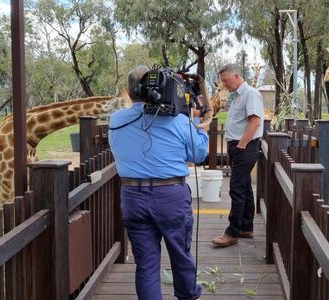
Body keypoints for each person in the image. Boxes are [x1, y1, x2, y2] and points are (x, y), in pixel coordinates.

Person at [108, 66, 208, 300]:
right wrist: (196, 124)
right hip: (170, 197)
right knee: (181, 256)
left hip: (132, 197)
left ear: (132, 91)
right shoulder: (180, 121)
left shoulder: (115, 120)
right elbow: (199, 155)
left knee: (146, 264)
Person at [211, 64, 264, 248]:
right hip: (238, 146)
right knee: (245, 186)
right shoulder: (235, 97)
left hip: (246, 146)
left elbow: (255, 121)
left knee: (236, 187)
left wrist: (241, 145)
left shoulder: (250, 93)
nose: (224, 84)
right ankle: (246, 227)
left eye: (225, 80)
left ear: (236, 76)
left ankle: (232, 232)